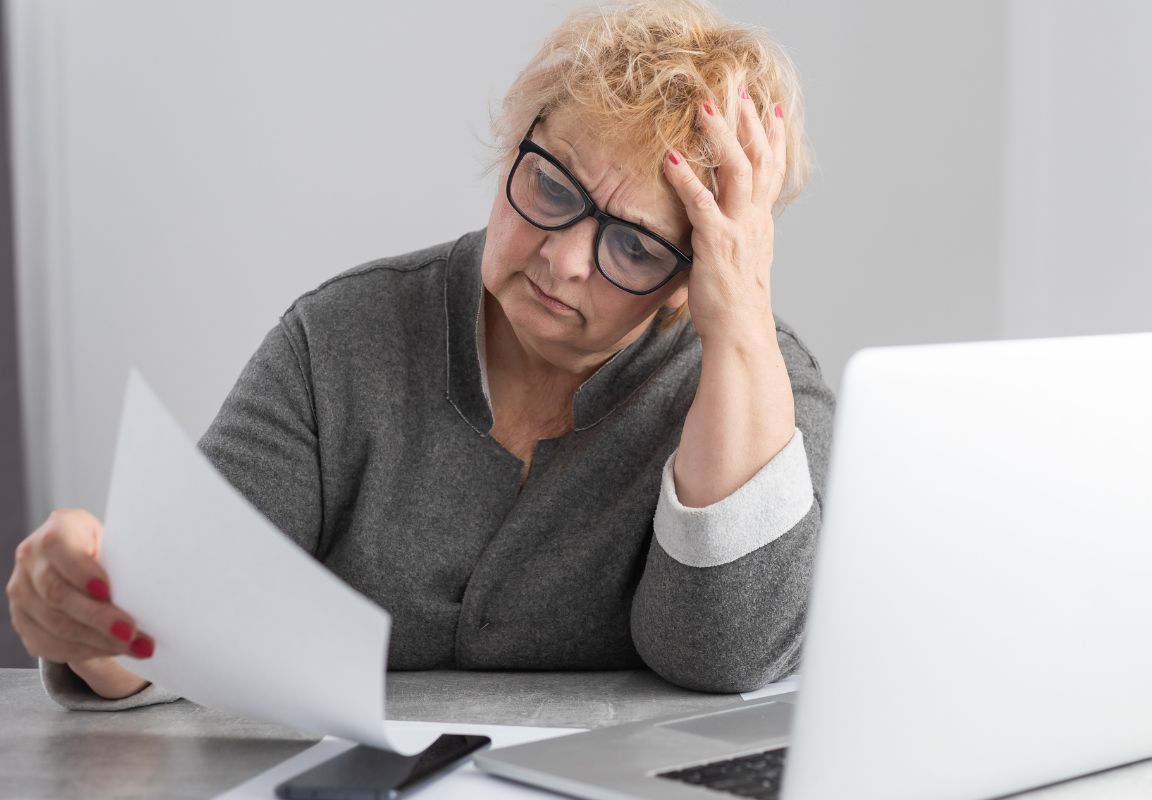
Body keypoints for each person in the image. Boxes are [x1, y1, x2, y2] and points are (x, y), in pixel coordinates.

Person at [7, 0, 834, 710]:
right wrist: (83, 614)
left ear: (698, 273)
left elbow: (724, 653)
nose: (566, 259)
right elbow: (176, 625)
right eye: (551, 186)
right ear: (516, 141)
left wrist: (741, 329)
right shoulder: (339, 339)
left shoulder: (763, 383)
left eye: (636, 246)